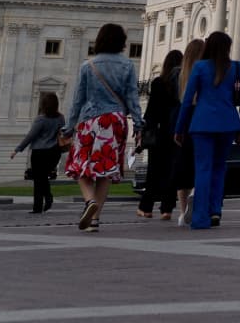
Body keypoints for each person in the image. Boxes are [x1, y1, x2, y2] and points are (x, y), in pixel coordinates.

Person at [62, 23, 144, 232]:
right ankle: (95, 219)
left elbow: (77, 101)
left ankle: (89, 201)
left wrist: (69, 127)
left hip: (91, 120)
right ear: (121, 42)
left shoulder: (87, 66)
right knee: (105, 171)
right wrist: (139, 123)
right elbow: (133, 98)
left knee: (80, 166)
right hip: (115, 121)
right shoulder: (127, 65)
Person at [173, 31, 240, 232]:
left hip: (202, 123)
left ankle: (200, 217)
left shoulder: (199, 67)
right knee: (219, 168)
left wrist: (179, 128)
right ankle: (215, 210)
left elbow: (188, 101)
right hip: (227, 123)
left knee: (203, 169)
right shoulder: (236, 67)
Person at [136, 48, 184, 219]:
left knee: (154, 171)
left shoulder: (158, 83)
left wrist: (143, 130)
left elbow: (151, 111)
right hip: (176, 131)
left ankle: (146, 207)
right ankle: (167, 208)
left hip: (159, 131)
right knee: (171, 171)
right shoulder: (183, 83)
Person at [11, 92, 65, 215]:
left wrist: (17, 149)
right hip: (54, 151)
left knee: (38, 180)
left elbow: (31, 136)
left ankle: (38, 206)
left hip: (39, 152)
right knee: (43, 177)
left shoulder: (40, 119)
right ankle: (48, 197)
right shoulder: (60, 118)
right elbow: (63, 132)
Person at [172, 37, 206, 226]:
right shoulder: (205, 72)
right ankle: (195, 194)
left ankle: (182, 210)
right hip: (201, 116)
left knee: (182, 165)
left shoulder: (180, 74)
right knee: (199, 162)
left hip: (183, 118)